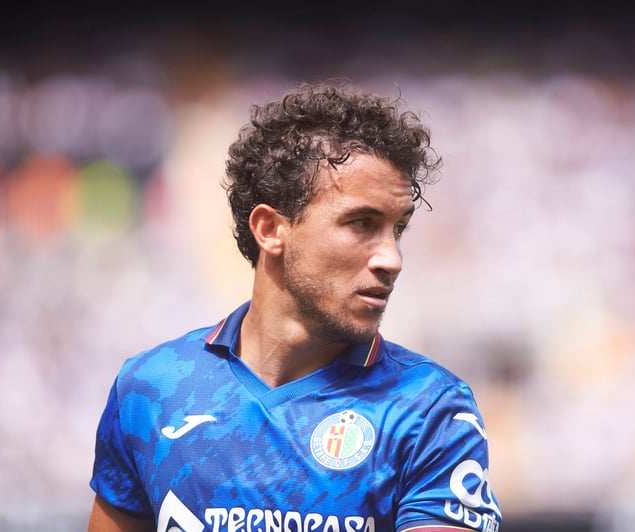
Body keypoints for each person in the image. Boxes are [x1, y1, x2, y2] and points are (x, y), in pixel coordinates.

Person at [88, 80, 502, 532]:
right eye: (362, 223)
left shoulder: (430, 409)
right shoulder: (151, 388)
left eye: (397, 229)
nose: (392, 259)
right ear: (270, 230)